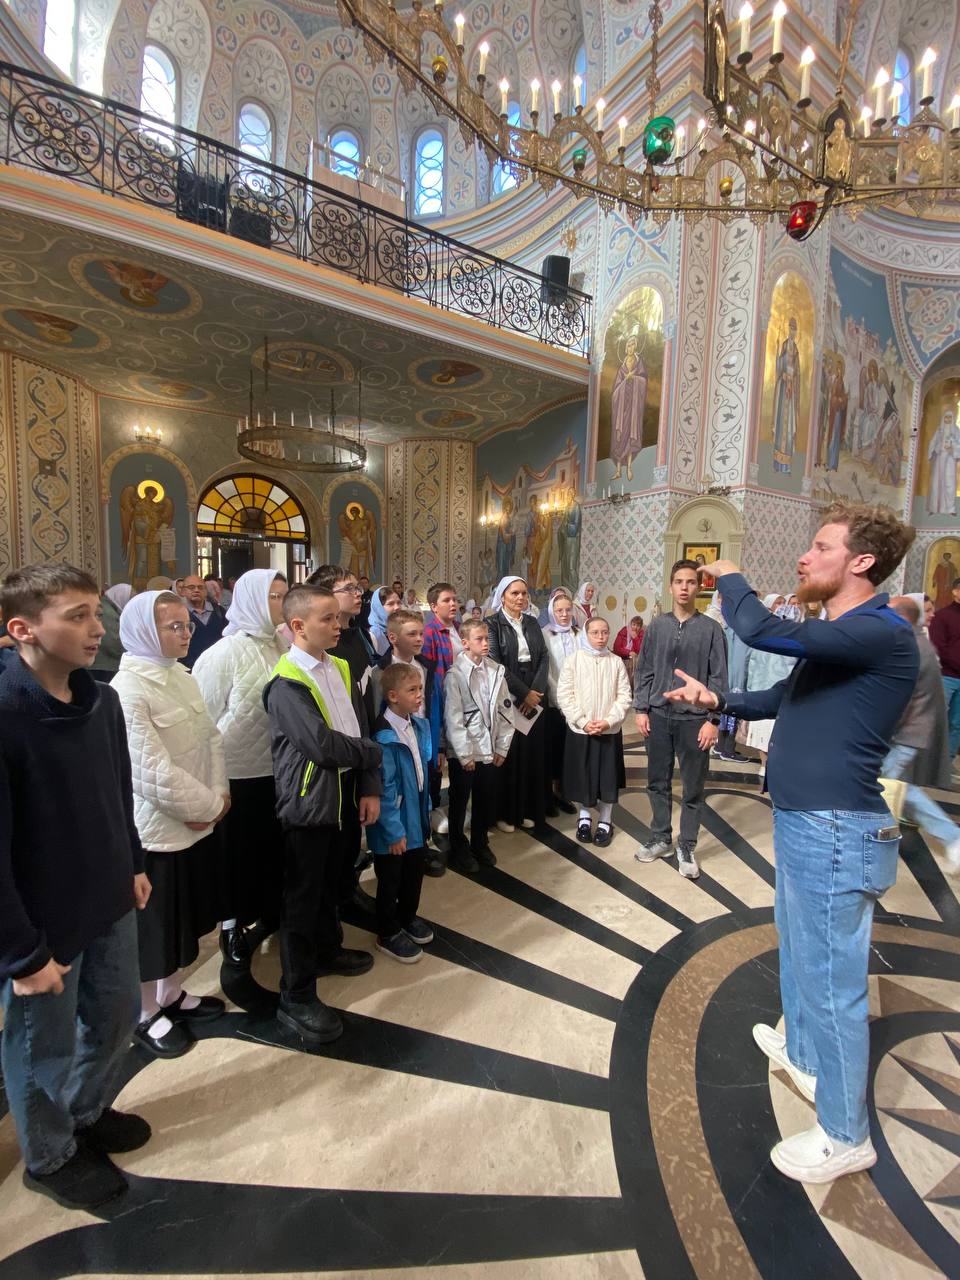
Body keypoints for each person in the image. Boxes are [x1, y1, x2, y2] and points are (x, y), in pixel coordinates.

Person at [664, 502, 918, 1183]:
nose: (805, 557)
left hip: (838, 828)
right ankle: (804, 1054)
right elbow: (784, 698)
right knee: (801, 950)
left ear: (861, 561)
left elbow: (759, 628)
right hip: (809, 822)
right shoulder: (841, 635)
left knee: (833, 984)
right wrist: (720, 702)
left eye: (820, 547)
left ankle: (846, 1135)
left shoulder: (880, 630)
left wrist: (730, 574)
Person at [0, 564, 151, 1211]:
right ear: (23, 629)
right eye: (78, 616)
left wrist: (134, 861)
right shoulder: (6, 714)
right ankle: (50, 1153)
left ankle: (84, 1113)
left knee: (117, 1017)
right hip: (42, 921)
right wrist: (21, 955)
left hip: (109, 894)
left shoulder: (102, 701)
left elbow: (119, 790)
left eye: (97, 613)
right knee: (44, 1047)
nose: (97, 630)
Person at [112, 591, 230, 1059]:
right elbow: (150, 772)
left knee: (184, 919)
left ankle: (172, 993)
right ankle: (144, 1012)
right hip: (158, 830)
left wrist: (218, 795)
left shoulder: (181, 675)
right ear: (145, 630)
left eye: (187, 625)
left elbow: (212, 737)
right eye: (173, 626)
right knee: (155, 929)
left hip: (198, 817)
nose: (185, 633)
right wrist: (207, 804)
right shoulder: (127, 689)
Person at [263, 585, 382, 1044]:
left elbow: (359, 725)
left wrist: (368, 784)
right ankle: (295, 997)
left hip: (346, 793)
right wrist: (373, 755)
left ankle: (328, 950)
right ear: (298, 626)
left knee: (335, 881)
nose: (338, 625)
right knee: (303, 898)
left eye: (338, 617)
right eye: (327, 619)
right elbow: (321, 745)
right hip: (310, 801)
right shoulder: (286, 682)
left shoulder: (340, 665)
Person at [192, 570, 289, 968]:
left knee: (270, 847)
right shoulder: (224, 653)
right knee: (235, 854)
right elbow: (202, 721)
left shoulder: (282, 646)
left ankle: (269, 909)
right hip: (236, 774)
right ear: (251, 600)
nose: (282, 604)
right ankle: (231, 923)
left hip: (277, 768)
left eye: (284, 595)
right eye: (274, 597)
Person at [633, 560, 727, 879]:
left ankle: (686, 845)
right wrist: (641, 709)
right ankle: (661, 837)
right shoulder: (657, 626)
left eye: (690, 582)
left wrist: (713, 720)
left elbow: (718, 678)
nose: (684, 587)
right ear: (671, 586)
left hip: (695, 720)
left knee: (692, 787)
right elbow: (644, 670)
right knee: (657, 781)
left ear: (698, 587)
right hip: (658, 715)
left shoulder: (711, 629)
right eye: (679, 581)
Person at [883, 597, 959, 870]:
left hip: (906, 734)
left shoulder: (912, 647)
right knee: (896, 787)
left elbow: (901, 699)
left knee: (893, 786)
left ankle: (953, 838)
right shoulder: (915, 643)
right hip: (908, 733)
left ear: (899, 617)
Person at [366, 663, 435, 962]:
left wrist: (426, 810)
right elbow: (385, 789)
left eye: (420, 688)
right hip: (392, 826)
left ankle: (407, 917)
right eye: (412, 690)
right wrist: (394, 832)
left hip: (415, 819)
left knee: (413, 874)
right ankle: (387, 931)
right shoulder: (383, 737)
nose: (420, 695)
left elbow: (421, 772)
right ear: (393, 696)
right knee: (390, 880)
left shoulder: (417, 726)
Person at [371, 608, 446, 878]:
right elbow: (374, 712)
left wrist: (438, 744)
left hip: (421, 738)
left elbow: (435, 705)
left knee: (423, 793)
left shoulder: (426, 666)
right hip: (394, 744)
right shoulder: (380, 671)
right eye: (412, 634)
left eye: (421, 633)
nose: (419, 639)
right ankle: (397, 848)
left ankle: (420, 848)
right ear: (393, 637)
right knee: (398, 798)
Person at [444, 617, 514, 873]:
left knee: (484, 798)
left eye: (487, 638)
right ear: (465, 643)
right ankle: (458, 847)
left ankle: (480, 842)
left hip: (489, 749)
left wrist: (502, 746)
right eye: (479, 639)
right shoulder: (455, 675)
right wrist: (464, 755)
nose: (486, 643)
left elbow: (505, 710)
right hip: (465, 752)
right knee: (460, 801)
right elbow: (453, 718)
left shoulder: (496, 671)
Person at [556, 617, 631, 848]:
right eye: (595, 632)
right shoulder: (574, 660)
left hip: (609, 730)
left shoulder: (616, 662)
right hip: (582, 730)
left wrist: (608, 721)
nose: (600, 637)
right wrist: (583, 721)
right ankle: (585, 817)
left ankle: (606, 819)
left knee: (608, 778)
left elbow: (624, 696)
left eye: (604, 632)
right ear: (586, 634)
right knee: (584, 775)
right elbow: (564, 695)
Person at [486, 576, 550, 833]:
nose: (521, 598)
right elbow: (495, 663)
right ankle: (504, 814)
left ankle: (525, 810)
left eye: (524, 593)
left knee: (530, 756)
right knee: (509, 755)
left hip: (534, 690)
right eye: (514, 593)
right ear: (502, 596)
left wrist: (536, 691)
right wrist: (523, 693)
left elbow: (544, 656)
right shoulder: (492, 624)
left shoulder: (532, 622)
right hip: (507, 692)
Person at [421, 581, 462, 832]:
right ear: (434, 606)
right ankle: (432, 807)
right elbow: (428, 674)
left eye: (455, 599)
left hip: (459, 698)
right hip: (440, 698)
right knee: (437, 755)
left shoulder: (457, 628)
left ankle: (453, 805)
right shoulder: (430, 633)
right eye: (447, 600)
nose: (453, 604)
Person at [743, 594, 797, 775]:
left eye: (783, 603)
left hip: (783, 689)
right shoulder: (762, 632)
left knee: (778, 734)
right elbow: (750, 661)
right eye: (777, 603)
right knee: (762, 732)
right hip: (761, 686)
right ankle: (765, 764)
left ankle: (774, 766)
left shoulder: (793, 632)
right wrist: (748, 687)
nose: (782, 606)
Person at [541, 589, 579, 814]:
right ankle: (549, 795)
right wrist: (561, 698)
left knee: (570, 750)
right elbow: (546, 671)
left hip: (576, 701)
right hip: (555, 702)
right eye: (559, 611)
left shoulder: (579, 633)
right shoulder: (545, 634)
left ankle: (564, 792)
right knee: (553, 749)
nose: (564, 615)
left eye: (567, 610)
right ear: (552, 612)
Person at [929, 575, 960, 761]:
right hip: (946, 676)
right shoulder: (943, 616)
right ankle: (929, 762)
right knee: (937, 720)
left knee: (957, 723)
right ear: (955, 591)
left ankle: (947, 761)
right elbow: (939, 647)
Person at [180, 573, 227, 670]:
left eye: (200, 587)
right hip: (189, 669)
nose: (196, 590)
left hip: (219, 667)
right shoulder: (178, 614)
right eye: (191, 587)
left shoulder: (220, 612)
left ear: (206, 591)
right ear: (183, 591)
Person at [91, 583, 133, 682]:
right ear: (121, 596)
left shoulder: (110, 607)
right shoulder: (107, 611)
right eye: (129, 599)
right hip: (103, 666)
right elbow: (112, 641)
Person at [368, 584, 402, 656]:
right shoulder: (373, 636)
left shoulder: (400, 629)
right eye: (391, 604)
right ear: (379, 608)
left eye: (399, 603)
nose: (397, 607)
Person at [613, 614, 644, 684]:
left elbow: (640, 650)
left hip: (633, 662)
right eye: (634, 624)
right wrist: (628, 652)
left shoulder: (641, 633)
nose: (635, 627)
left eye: (638, 626)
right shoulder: (624, 631)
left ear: (640, 627)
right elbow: (616, 648)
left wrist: (635, 638)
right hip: (621, 658)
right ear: (630, 624)